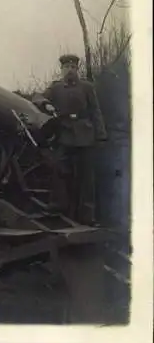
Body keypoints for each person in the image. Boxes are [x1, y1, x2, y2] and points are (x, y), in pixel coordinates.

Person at [35, 54, 107, 225]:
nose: (70, 71)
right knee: (59, 170)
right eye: (67, 68)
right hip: (64, 134)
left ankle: (87, 216)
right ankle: (57, 205)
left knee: (87, 177)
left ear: (77, 69)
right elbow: (37, 97)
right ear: (62, 70)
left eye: (73, 68)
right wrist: (46, 104)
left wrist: (101, 135)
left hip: (85, 135)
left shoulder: (87, 87)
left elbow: (95, 111)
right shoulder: (55, 88)